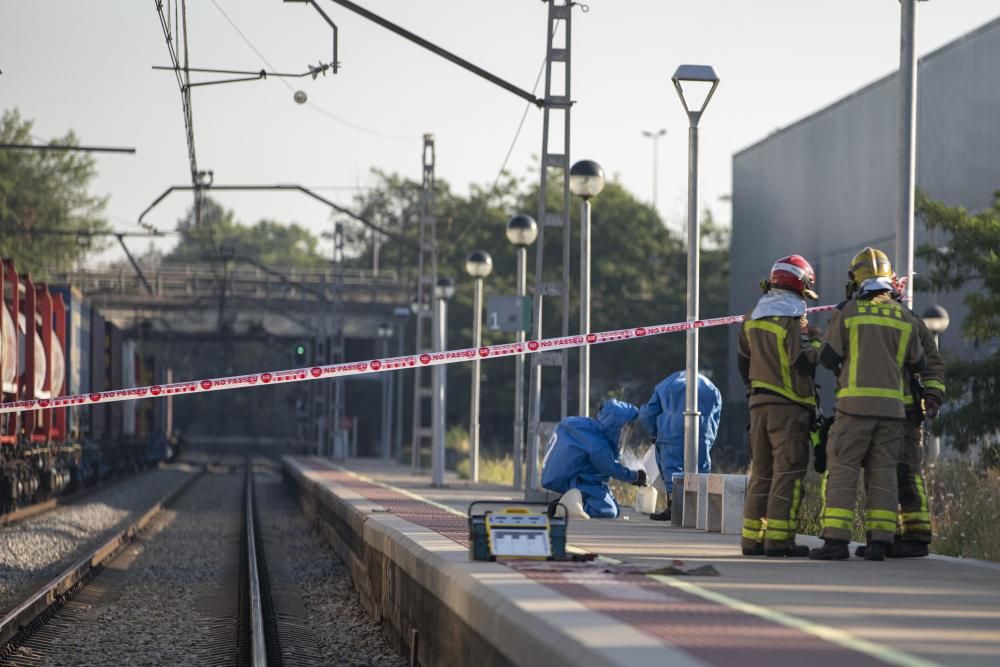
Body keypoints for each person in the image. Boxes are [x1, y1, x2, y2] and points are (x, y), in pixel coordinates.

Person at [810, 248, 925, 561]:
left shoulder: (849, 311)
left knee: (843, 469)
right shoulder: (904, 315)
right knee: (884, 473)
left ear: (856, 278)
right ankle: (879, 543)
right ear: (889, 279)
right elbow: (917, 361)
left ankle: (835, 542)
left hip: (854, 407)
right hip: (892, 412)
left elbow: (829, 356)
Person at [737, 255, 822, 557]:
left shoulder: (753, 315)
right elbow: (803, 360)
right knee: (788, 473)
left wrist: (753, 390)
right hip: (789, 406)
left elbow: (743, 359)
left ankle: (751, 540)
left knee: (761, 473)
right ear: (800, 284)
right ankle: (779, 540)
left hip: (758, 404)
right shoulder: (795, 317)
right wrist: (817, 342)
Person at [855, 276, 945, 559]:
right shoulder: (860, 318)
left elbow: (931, 362)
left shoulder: (909, 320)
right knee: (879, 473)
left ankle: (916, 537)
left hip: (904, 412)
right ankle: (885, 537)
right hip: (877, 410)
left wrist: (932, 394)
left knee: (905, 472)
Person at [541, 399, 648, 519]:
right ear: (615, 426)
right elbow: (610, 468)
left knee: (615, 510)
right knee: (608, 510)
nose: (626, 433)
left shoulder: (590, 429)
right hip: (580, 481)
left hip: (581, 476)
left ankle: (568, 503)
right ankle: (563, 507)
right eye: (624, 428)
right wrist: (635, 477)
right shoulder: (599, 444)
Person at [637, 371, 722, 521]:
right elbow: (716, 416)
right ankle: (699, 512)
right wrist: (708, 438)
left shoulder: (666, 385)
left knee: (673, 471)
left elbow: (647, 414)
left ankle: (674, 509)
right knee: (700, 471)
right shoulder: (711, 388)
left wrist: (654, 434)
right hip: (701, 433)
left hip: (671, 431)